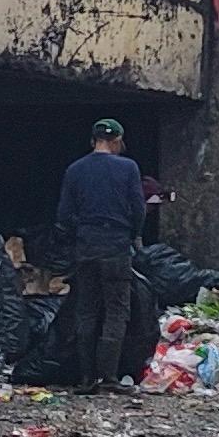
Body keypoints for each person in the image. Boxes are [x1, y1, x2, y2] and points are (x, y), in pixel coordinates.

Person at [52, 116, 152, 388]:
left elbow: (63, 214)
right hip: (116, 247)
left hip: (86, 247)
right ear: (117, 140)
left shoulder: (75, 169)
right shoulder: (128, 167)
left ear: (93, 141)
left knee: (86, 310)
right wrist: (134, 234)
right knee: (116, 311)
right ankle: (108, 376)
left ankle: (86, 377)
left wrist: (77, 236)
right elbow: (138, 208)